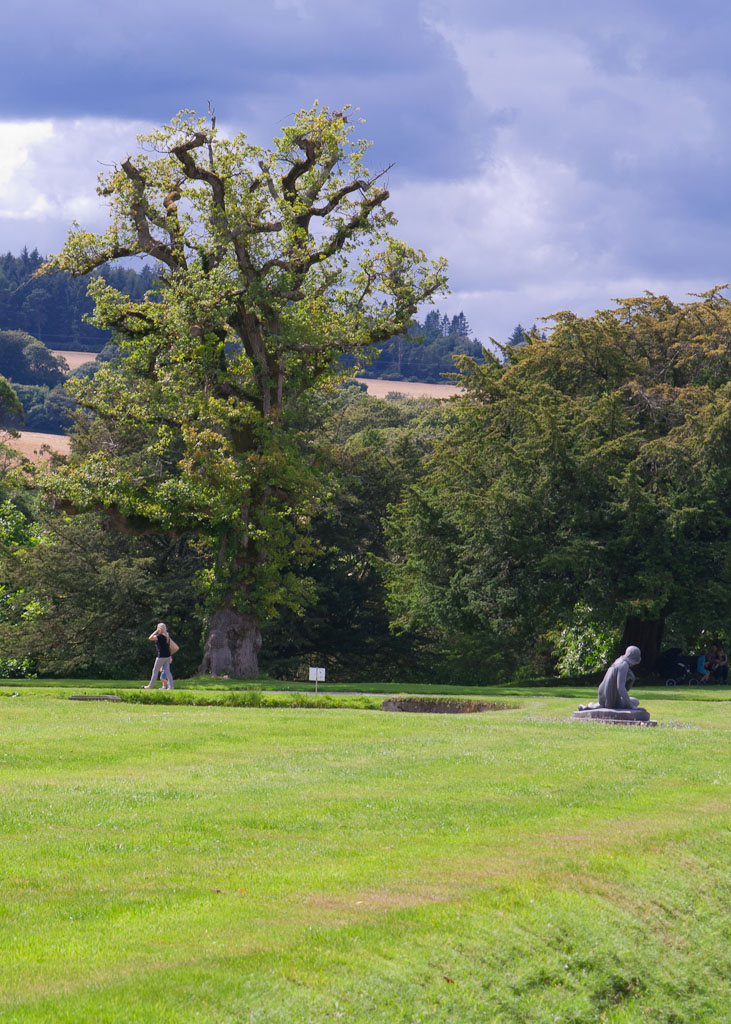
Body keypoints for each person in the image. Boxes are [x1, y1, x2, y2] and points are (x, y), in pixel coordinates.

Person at [144, 622, 174, 690]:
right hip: (167, 656)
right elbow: (168, 646)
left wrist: (155, 631)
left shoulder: (160, 636)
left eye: (158, 628)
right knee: (167, 672)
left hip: (161, 656)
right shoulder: (167, 635)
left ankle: (150, 686)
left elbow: (150, 638)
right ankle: (171, 686)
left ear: (160, 629)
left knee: (155, 671)